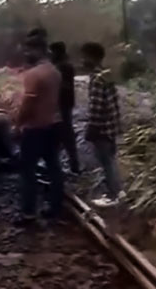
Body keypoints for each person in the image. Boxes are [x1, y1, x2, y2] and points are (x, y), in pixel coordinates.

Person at [15, 29, 63, 223]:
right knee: (54, 168)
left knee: (28, 171)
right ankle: (55, 207)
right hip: (54, 124)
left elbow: (28, 104)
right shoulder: (54, 71)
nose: (26, 53)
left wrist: (17, 124)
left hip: (35, 128)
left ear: (37, 50)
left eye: (28, 50)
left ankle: (28, 213)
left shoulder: (34, 74)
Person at [80, 42, 125, 207]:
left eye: (84, 57)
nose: (82, 61)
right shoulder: (106, 75)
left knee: (106, 161)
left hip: (101, 128)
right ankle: (117, 190)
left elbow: (96, 108)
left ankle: (113, 195)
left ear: (92, 57)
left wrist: (91, 129)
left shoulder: (97, 79)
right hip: (111, 126)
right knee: (110, 160)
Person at [50, 41, 80, 174]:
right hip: (63, 104)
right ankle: (68, 164)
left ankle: (72, 165)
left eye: (52, 52)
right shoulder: (64, 65)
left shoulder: (63, 66)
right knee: (62, 134)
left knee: (64, 134)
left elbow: (65, 86)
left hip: (62, 104)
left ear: (57, 52)